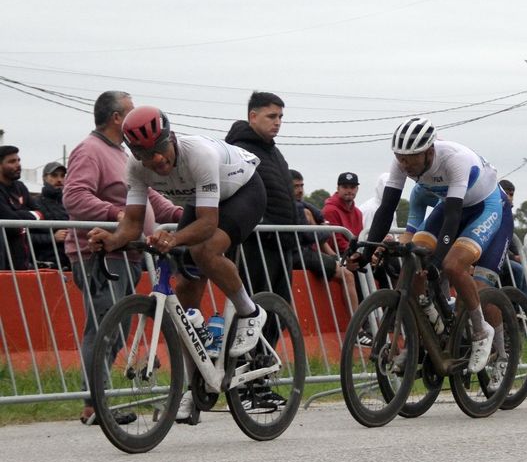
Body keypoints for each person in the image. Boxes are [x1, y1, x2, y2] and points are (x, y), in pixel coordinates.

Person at [88, 105, 268, 421]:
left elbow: (208, 225)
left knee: (205, 251)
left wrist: (173, 238)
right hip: (200, 200)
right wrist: (112, 239)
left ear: (170, 138)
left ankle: (250, 310)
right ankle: (194, 387)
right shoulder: (137, 168)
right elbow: (132, 222)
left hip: (244, 191)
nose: (156, 159)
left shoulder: (197, 153)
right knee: (185, 288)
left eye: (159, 149)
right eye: (145, 154)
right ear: (135, 153)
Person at [349, 117, 510, 373]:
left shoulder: (455, 159)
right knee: (412, 264)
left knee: (453, 266)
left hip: (485, 207)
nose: (405, 164)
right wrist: (366, 250)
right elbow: (387, 207)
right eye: (400, 158)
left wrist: (436, 263)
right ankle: (422, 342)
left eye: (411, 158)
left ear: (429, 151)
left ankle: (482, 332)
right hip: (451, 208)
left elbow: (453, 216)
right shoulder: (402, 161)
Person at [64, 91, 183, 425]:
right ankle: (94, 405)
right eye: (131, 112)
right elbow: (74, 197)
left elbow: (149, 194)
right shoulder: (90, 150)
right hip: (101, 254)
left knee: (117, 327)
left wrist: (179, 213)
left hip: (128, 253)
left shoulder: (123, 154)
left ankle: (98, 402)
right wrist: (119, 214)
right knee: (104, 328)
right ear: (117, 118)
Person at [225, 92, 297, 300]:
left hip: (282, 244)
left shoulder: (274, 152)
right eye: (271, 116)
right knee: (254, 308)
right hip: (254, 245)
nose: (277, 122)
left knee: (278, 310)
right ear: (253, 117)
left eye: (280, 117)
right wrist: (263, 227)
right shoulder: (238, 150)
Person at [289, 169, 359, 311]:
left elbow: (321, 230)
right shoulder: (297, 207)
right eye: (295, 186)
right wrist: (323, 229)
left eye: (301, 186)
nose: (300, 190)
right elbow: (312, 236)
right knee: (348, 276)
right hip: (299, 254)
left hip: (305, 252)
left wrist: (321, 228)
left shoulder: (305, 207)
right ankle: (358, 328)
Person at [0, 146, 42, 270]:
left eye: (18, 160)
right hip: (4, 262)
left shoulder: (20, 187)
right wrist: (28, 217)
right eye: (12, 161)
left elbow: (42, 213)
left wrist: (20, 216)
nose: (18, 165)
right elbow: (10, 223)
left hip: (23, 261)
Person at [31, 161, 70, 268]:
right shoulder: (34, 203)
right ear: (44, 178)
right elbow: (25, 236)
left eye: (62, 176)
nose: (59, 179)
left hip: (71, 261)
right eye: (54, 175)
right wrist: (52, 238)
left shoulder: (71, 203)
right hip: (46, 264)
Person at [323, 172, 364, 255]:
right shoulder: (329, 210)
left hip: (352, 254)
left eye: (352, 187)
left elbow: (360, 239)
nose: (349, 190)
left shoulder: (358, 213)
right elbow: (336, 242)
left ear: (357, 189)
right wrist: (358, 253)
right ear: (338, 188)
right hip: (336, 257)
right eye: (345, 187)